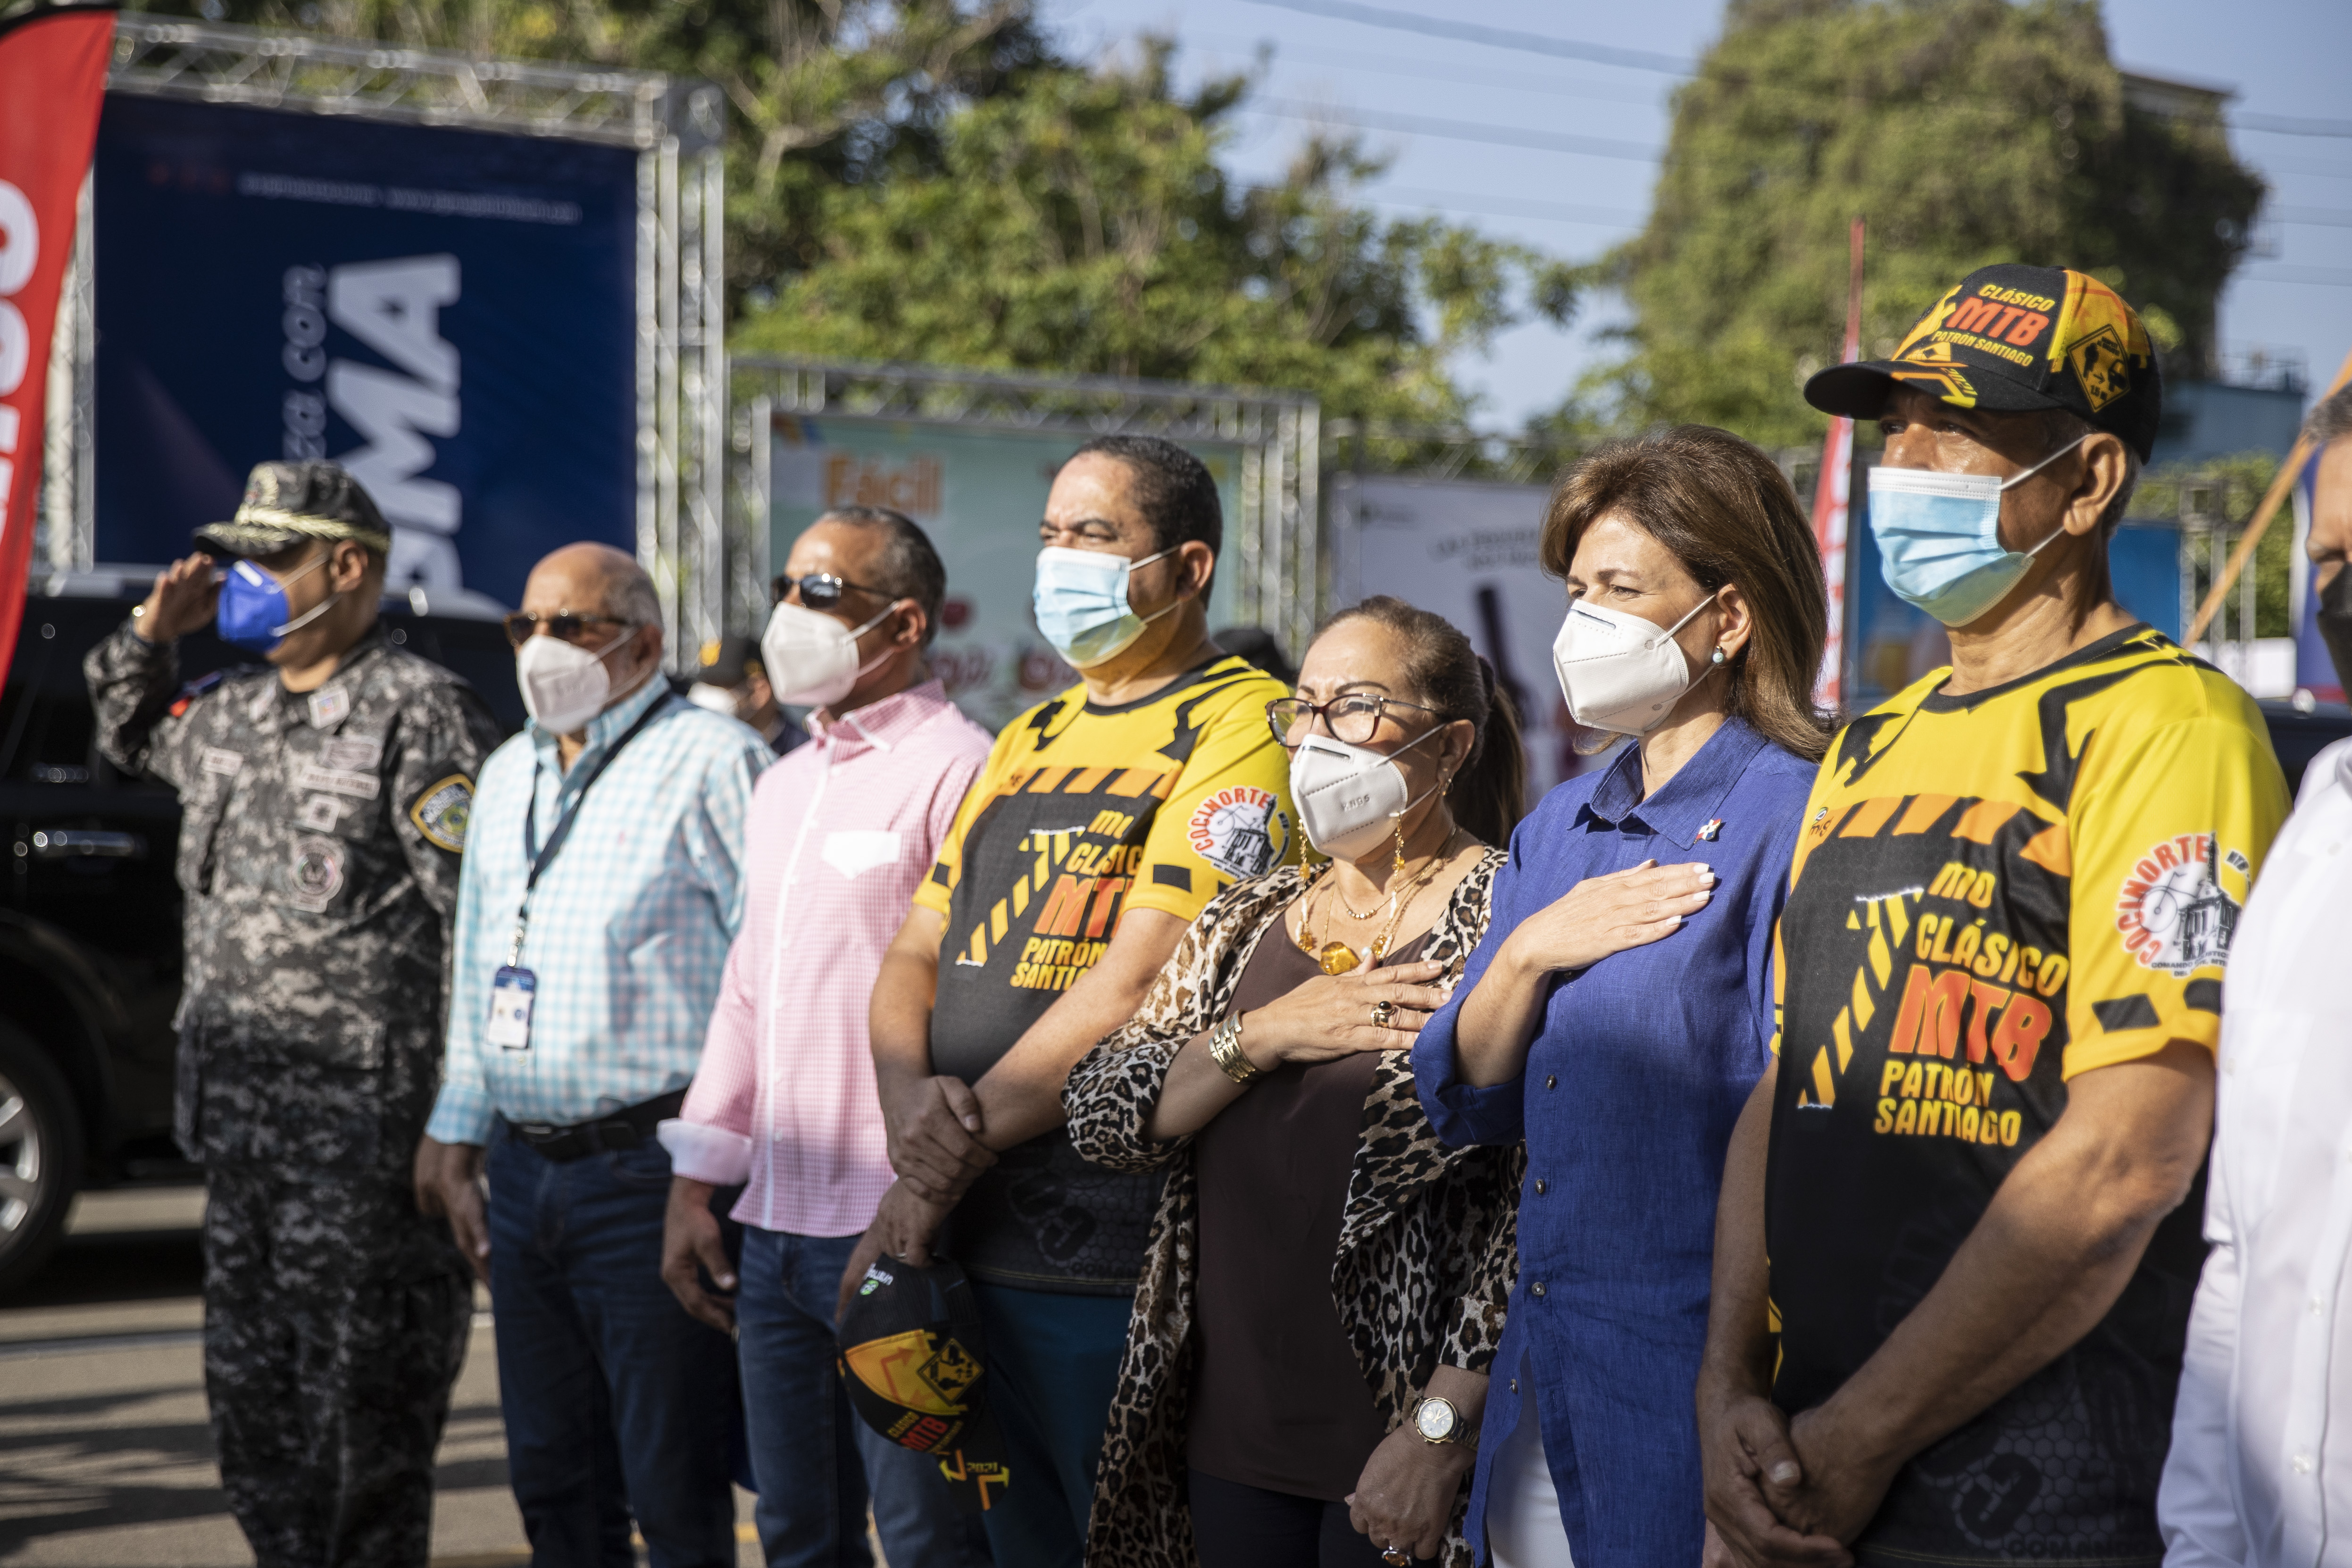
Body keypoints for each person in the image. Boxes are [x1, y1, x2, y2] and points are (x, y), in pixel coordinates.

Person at [1699, 264, 2291, 1568]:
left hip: (2034, 1491)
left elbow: (2129, 1153)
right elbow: (1786, 1082)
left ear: (2087, 483)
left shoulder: (2170, 723)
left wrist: (1861, 1435)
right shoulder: (1871, 741)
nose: (1902, 463)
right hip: (1801, 1463)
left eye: (1953, 428)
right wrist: (1728, 1382)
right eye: (1893, 426)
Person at [843, 433, 1301, 1567]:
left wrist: (932, 1167)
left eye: (1095, 534)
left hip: (1113, 1261)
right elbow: (916, 949)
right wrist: (908, 1114)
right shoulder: (1031, 733)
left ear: (1188, 568)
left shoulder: (1245, 721)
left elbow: (1146, 976)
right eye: (1052, 533)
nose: (1061, 559)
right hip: (974, 1246)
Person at [1414, 426, 1833, 1568]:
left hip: (1699, 1401)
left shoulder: (1803, 816)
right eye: (1576, 591)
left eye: (1621, 588)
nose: (1583, 622)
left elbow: (1808, 1134)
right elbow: (1464, 1098)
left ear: (1728, 617)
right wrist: (1526, 954)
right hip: (1536, 1387)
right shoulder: (1558, 825)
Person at [84, 461, 501, 1568]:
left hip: (366, 1159)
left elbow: (482, 926)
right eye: (237, 559)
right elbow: (125, 734)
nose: (242, 581)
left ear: (348, 566)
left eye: (269, 559)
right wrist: (150, 633)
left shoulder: (420, 713)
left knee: (364, 1445)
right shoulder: (232, 710)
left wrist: (459, 1123)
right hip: (240, 1146)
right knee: (254, 1427)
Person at [1063, 597, 1526, 1568]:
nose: (1317, 738)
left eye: (1354, 707)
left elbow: (1531, 1216)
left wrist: (1440, 1431)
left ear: (1450, 747)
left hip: (1400, 1447)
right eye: (1304, 708)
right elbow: (1103, 1115)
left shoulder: (1509, 919)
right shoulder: (1245, 919)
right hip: (1230, 1438)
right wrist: (1265, 1033)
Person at [418, 543, 771, 1568]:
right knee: (553, 1478)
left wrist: (714, 1168)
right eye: (525, 624)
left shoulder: (714, 760)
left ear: (644, 644)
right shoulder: (508, 767)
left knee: (673, 1485)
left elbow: (766, 975)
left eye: (569, 625)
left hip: (649, 1171)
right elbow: (479, 954)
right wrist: (456, 1130)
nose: (541, 645)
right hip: (525, 1169)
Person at [655, 508, 993, 1568]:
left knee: (929, 1540)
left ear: (905, 624)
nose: (786, 614)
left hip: (898, 1232)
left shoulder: (962, 767)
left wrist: (914, 1205)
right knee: (797, 1532)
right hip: (771, 1232)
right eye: (784, 587)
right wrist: (697, 1181)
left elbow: (978, 1017)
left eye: (819, 592)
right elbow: (748, 990)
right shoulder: (783, 781)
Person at [2159, 382, 2352, 1567]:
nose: (2343, 589)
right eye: (2330, 556)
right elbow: (2240, 1253)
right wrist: (2201, 1541)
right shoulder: (2318, 824)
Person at [687, 631, 807, 756]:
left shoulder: (801, 753)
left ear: (760, 692)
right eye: (706, 685)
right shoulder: (700, 748)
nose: (705, 694)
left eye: (720, 686)